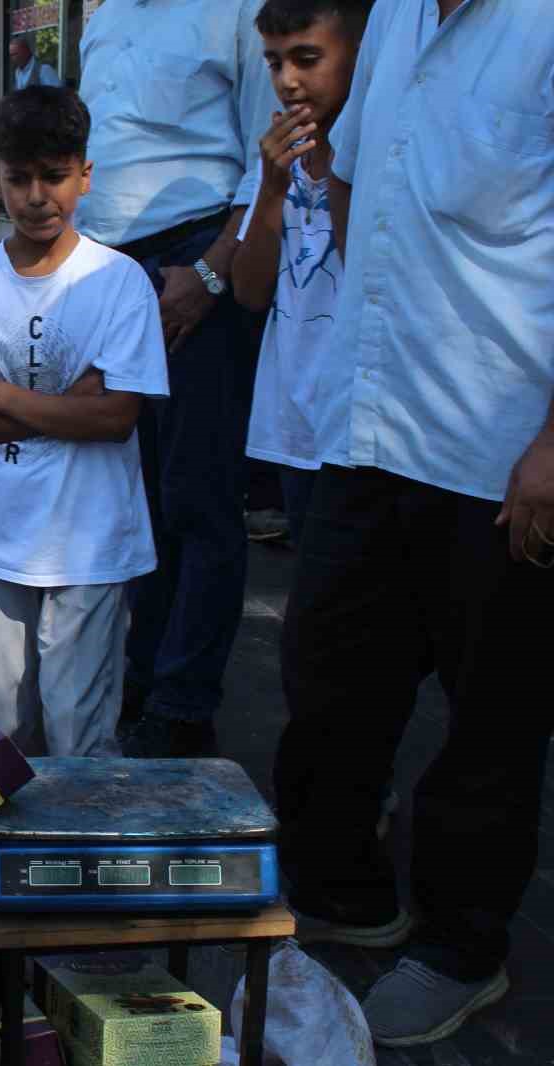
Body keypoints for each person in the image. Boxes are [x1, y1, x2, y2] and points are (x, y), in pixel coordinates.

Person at [273, 0, 554, 1046]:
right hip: (367, 421)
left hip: (495, 444)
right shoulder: (390, 14)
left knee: (490, 715)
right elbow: (351, 175)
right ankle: (344, 891)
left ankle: (462, 943)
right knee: (327, 670)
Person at [0, 86, 167, 756]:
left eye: (55, 177)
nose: (36, 197)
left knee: (80, 730)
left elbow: (116, 418)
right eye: (19, 179)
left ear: (85, 174)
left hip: (90, 543)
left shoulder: (119, 282)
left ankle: (77, 861)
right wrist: (67, 410)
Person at [76, 0, 276, 758]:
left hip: (198, 257)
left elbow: (265, 164)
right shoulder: (103, 17)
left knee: (199, 495)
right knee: (135, 495)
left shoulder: (235, 9)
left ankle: (185, 703)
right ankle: (145, 673)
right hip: (113, 268)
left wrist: (212, 271)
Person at [231, 0, 368, 547]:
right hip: (292, 422)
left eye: (308, 59)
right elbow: (248, 289)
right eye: (274, 62)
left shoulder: (375, 148)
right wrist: (270, 186)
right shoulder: (277, 154)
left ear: (360, 54)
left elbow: (361, 262)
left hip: (357, 427)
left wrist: (339, 161)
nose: (288, 81)